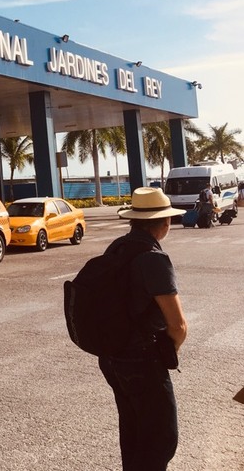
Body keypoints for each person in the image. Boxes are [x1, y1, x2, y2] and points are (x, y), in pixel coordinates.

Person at [99, 187, 188, 471]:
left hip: (111, 357)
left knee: (134, 433)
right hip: (141, 360)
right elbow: (178, 325)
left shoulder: (118, 247)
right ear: (165, 222)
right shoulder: (153, 258)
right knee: (161, 440)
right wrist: (165, 351)